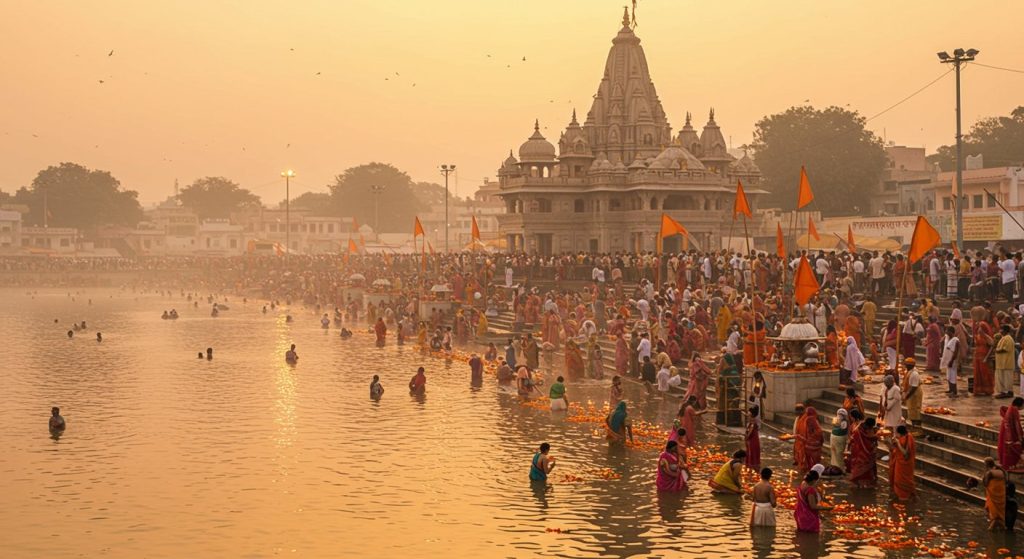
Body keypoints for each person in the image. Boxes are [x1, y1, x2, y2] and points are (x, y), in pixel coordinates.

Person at [848, 417, 879, 487]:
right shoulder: (859, 431)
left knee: (866, 467)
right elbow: (868, 437)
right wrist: (876, 436)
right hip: (859, 452)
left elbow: (870, 438)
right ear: (868, 426)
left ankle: (865, 482)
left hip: (862, 451)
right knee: (860, 467)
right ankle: (858, 482)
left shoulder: (862, 428)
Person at [888, 424, 916, 500]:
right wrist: (890, 443)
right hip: (899, 463)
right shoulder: (901, 438)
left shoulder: (908, 438)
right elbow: (893, 449)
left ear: (900, 433)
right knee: (897, 480)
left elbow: (905, 453)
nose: (897, 435)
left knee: (903, 481)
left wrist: (898, 443)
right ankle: (901, 496)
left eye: (897, 434)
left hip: (906, 464)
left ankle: (906, 497)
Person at [998, 397, 1024, 470]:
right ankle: (1012, 465)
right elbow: (1016, 425)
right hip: (1010, 434)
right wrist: (1020, 437)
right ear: (1020, 404)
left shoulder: (1011, 408)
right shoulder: (1014, 410)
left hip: (1005, 432)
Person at [983, 457, 1007, 530]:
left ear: (987, 464)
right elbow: (1005, 481)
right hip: (1001, 495)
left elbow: (986, 483)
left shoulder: (989, 473)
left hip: (993, 495)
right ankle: (1001, 526)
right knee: (999, 512)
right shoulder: (1001, 471)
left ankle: (993, 527)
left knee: (993, 512)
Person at [798, 406, 823, 471]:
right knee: (815, 463)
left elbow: (807, 432)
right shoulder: (813, 419)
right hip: (814, 445)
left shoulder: (807, 419)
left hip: (808, 444)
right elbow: (819, 432)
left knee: (809, 462)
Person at [995, 325, 1016, 398]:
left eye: (1001, 329)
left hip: (1006, 363)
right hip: (1002, 363)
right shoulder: (1003, 338)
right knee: (1003, 378)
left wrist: (996, 350)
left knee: (1006, 379)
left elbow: (1005, 349)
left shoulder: (1008, 338)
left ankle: (1006, 392)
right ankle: (1005, 392)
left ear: (1005, 330)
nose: (1000, 331)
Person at [940, 325, 961, 396]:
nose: (946, 332)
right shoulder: (947, 338)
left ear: (951, 332)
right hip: (947, 359)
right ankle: (950, 389)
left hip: (952, 360)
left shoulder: (956, 340)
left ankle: (954, 391)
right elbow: (942, 341)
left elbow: (956, 351)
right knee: (948, 375)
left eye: (947, 331)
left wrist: (951, 361)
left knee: (952, 376)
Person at [903, 358, 923, 430]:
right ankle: (914, 427)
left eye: (906, 365)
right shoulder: (909, 372)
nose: (905, 366)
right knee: (911, 412)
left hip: (914, 394)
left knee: (915, 412)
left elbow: (914, 387)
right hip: (911, 393)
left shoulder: (914, 374)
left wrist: (907, 396)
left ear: (910, 365)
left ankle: (918, 429)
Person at [745, 406, 761, 470]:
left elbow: (750, 433)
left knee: (751, 453)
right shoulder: (752, 422)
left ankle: (752, 467)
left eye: (749, 416)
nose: (748, 417)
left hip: (752, 441)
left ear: (752, 415)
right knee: (752, 453)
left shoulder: (753, 423)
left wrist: (746, 437)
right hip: (754, 440)